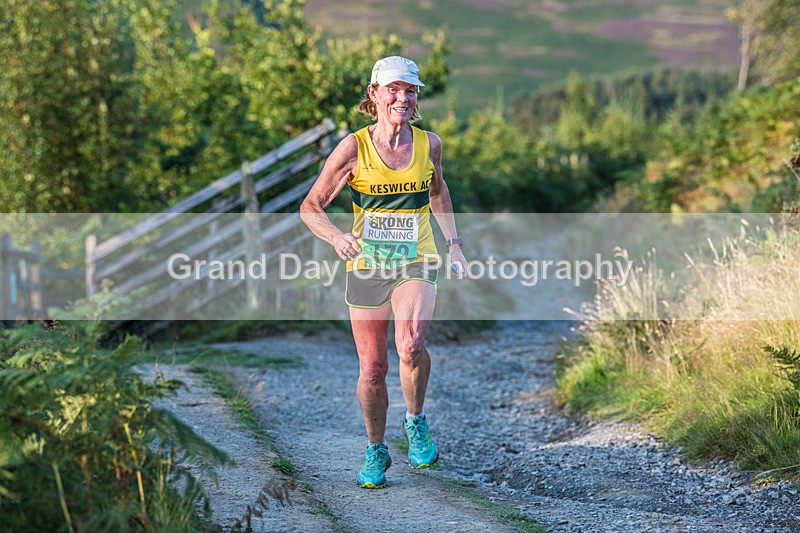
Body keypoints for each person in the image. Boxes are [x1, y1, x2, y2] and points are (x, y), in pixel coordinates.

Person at [300, 55, 467, 489]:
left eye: (410, 90)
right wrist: (337, 238)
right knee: (373, 368)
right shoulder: (353, 148)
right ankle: (376, 449)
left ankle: (415, 421)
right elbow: (310, 206)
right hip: (369, 264)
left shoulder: (429, 143)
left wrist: (454, 244)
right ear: (373, 95)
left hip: (417, 257)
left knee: (410, 344)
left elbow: (438, 190)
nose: (403, 98)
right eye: (393, 89)